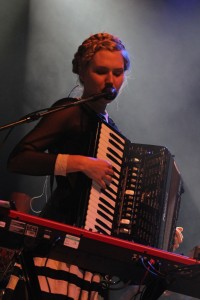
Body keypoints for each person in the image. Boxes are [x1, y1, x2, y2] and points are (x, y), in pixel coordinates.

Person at [3, 32, 183, 300]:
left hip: (89, 261)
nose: (110, 80)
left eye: (118, 72)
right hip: (55, 250)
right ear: (82, 73)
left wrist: (161, 233)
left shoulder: (113, 132)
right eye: (101, 71)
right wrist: (79, 163)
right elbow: (19, 158)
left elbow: (118, 210)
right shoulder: (69, 112)